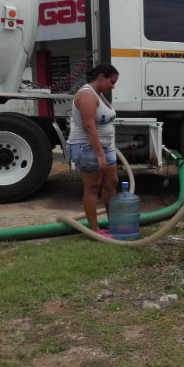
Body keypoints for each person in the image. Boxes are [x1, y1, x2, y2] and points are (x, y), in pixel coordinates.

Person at [67, 63, 119, 237]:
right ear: (101, 77)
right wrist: (99, 155)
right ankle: (95, 230)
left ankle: (115, 223)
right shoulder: (87, 95)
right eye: (111, 82)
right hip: (87, 148)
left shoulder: (100, 95)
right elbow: (89, 127)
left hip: (105, 147)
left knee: (111, 183)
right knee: (93, 187)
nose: (113, 86)